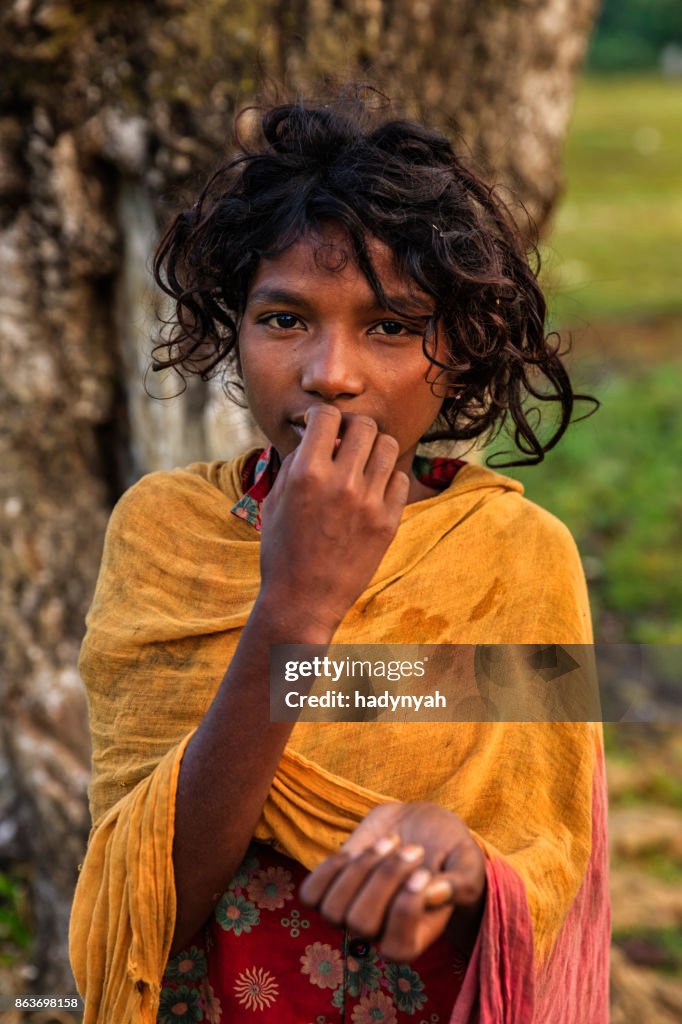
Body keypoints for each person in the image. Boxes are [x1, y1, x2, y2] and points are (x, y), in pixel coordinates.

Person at [69, 89, 610, 1024]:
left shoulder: (518, 556)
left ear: (462, 353)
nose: (331, 372)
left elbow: (548, 852)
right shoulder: (165, 535)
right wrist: (294, 611)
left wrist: (466, 860)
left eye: (392, 327)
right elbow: (150, 903)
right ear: (233, 334)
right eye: (284, 320)